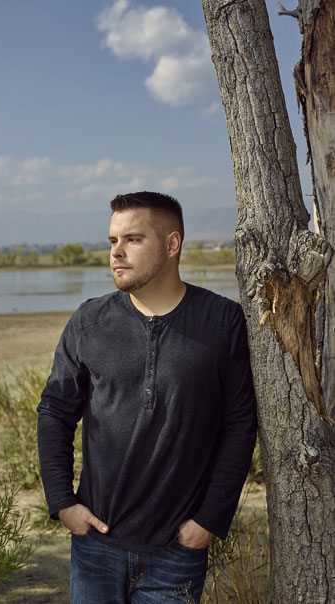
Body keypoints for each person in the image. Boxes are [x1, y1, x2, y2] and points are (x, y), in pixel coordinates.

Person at [36, 191, 257, 603]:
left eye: (133, 240)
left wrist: (209, 519)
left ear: (172, 245)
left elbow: (240, 424)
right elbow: (54, 412)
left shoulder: (222, 321)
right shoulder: (89, 321)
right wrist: (62, 502)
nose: (116, 253)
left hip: (177, 551)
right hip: (95, 544)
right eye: (112, 241)